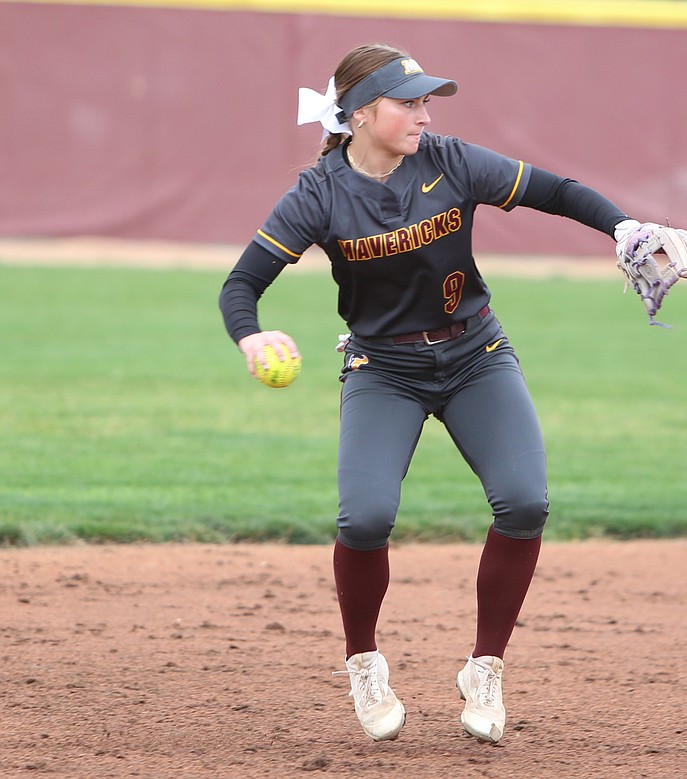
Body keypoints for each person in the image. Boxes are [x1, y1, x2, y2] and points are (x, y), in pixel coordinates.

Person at [218, 43, 646, 744]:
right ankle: (363, 661)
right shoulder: (319, 192)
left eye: (426, 101)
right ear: (359, 115)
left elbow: (559, 192)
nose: (424, 112)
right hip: (383, 369)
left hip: (477, 354)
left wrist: (623, 226)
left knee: (526, 500)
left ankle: (485, 667)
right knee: (364, 518)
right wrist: (250, 336)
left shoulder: (449, 159)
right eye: (408, 101)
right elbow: (241, 285)